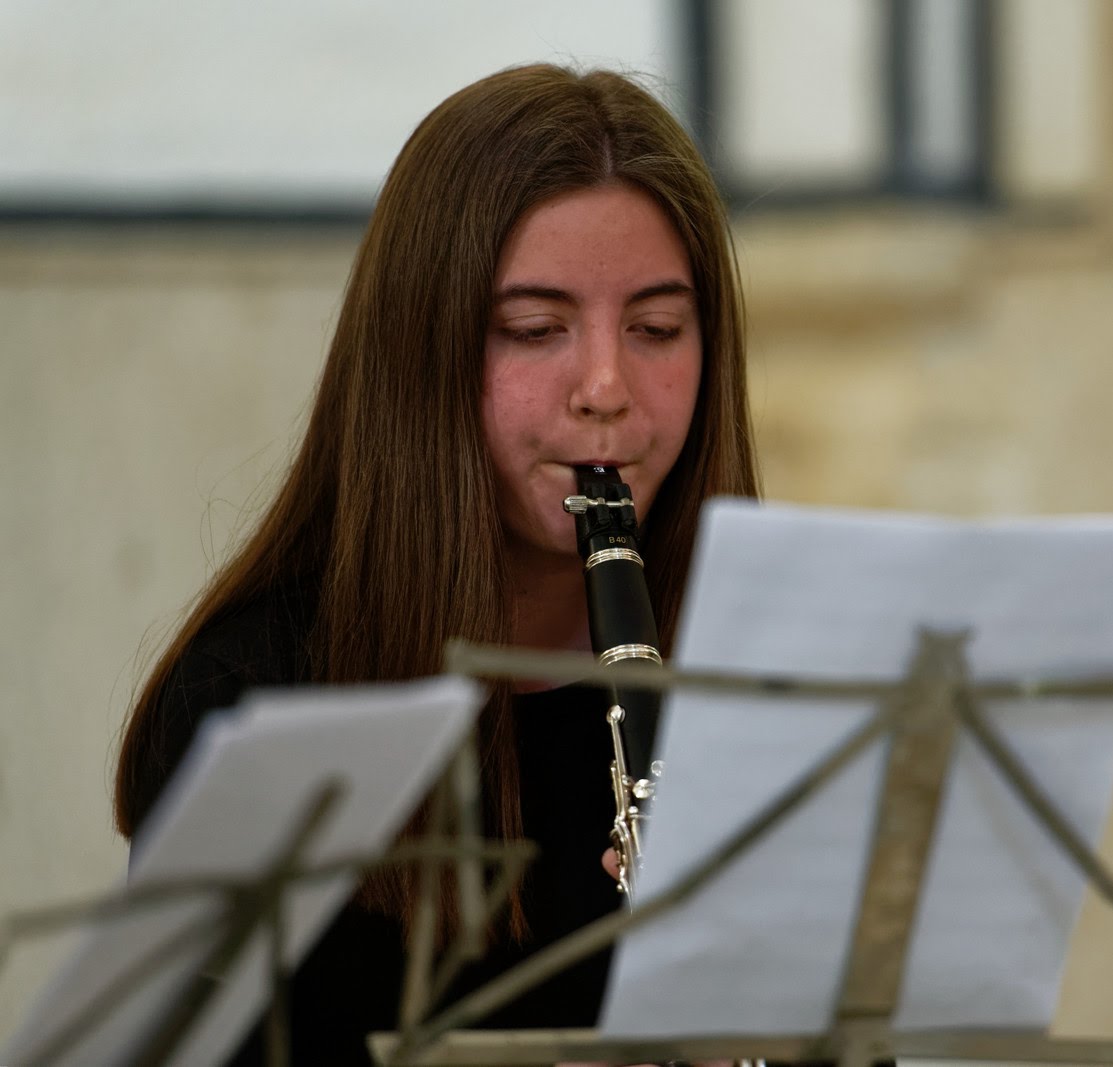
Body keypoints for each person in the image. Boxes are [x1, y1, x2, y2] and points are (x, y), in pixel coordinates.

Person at [112, 63, 760, 1065]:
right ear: (424, 357)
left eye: (657, 329)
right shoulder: (250, 702)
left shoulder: (764, 687)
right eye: (535, 330)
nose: (605, 386)